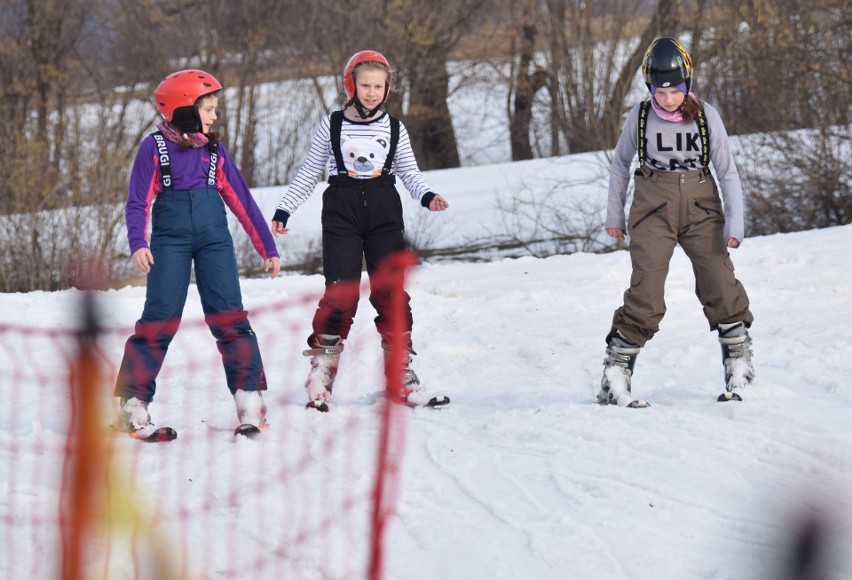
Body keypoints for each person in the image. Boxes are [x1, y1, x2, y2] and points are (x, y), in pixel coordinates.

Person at [271, 50, 449, 412]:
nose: (371, 92)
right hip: (342, 209)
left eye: (378, 86)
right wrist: (285, 208)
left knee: (391, 293)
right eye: (364, 85)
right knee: (341, 294)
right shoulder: (332, 124)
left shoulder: (395, 127)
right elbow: (309, 172)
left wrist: (427, 195)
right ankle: (321, 372)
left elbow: (410, 173)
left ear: (387, 89)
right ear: (351, 85)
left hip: (384, 208)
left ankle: (400, 375)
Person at [115, 69, 280, 438]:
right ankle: (132, 404)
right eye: (208, 109)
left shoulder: (213, 150)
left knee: (229, 317)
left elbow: (242, 200)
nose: (214, 117)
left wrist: (266, 246)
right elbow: (137, 203)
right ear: (185, 109)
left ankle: (249, 399)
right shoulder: (153, 148)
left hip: (214, 241)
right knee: (159, 319)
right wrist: (138, 243)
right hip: (169, 242)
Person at [598, 37, 755, 408]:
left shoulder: (705, 116)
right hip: (653, 207)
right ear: (649, 86)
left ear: (687, 83)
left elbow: (727, 171)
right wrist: (614, 215)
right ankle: (615, 375)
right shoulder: (638, 117)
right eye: (660, 91)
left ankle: (739, 366)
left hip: (702, 206)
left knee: (719, 281)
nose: (668, 98)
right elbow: (621, 165)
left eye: (676, 90)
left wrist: (736, 223)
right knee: (647, 291)